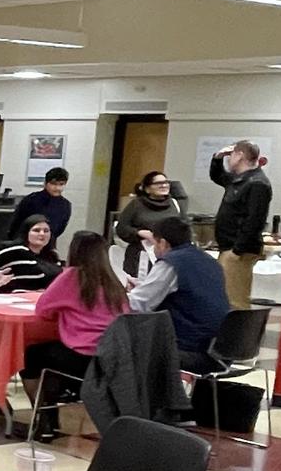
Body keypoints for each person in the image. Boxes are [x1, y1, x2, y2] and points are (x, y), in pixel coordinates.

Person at [25, 231, 128, 439]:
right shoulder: (114, 282)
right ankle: (49, 412)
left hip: (82, 356)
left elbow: (43, 309)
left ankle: (45, 415)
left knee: (32, 355)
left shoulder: (72, 277)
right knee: (52, 354)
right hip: (113, 357)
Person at [128, 216, 229, 372]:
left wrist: (114, 295)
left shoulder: (171, 263)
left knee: (120, 345)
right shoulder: (211, 261)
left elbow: (139, 304)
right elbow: (189, 293)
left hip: (188, 348)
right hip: (219, 348)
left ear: (162, 243)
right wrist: (144, 287)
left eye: (154, 243)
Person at [209, 140, 272, 309]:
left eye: (231, 155)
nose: (229, 160)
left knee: (235, 300)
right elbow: (217, 176)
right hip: (228, 247)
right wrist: (217, 158)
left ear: (239, 155)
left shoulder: (257, 183)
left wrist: (237, 250)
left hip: (238, 251)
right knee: (226, 296)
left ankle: (239, 334)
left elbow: (255, 220)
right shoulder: (239, 180)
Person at [114, 171, 180, 279]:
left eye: (166, 182)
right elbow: (121, 228)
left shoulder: (174, 204)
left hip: (168, 255)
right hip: (141, 256)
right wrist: (139, 232)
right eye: (158, 183)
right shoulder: (136, 204)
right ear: (147, 188)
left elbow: (183, 228)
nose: (164, 185)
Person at [0, 215, 62, 292]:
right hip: (2, 301)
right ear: (26, 232)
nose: (42, 234)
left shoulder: (52, 257)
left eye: (46, 231)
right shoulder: (13, 250)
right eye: (36, 230)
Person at [6, 166, 72, 241]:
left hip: (48, 243)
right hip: (24, 242)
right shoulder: (31, 200)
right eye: (53, 184)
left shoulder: (65, 205)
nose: (57, 188)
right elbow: (15, 223)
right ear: (45, 183)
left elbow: (60, 228)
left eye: (61, 184)